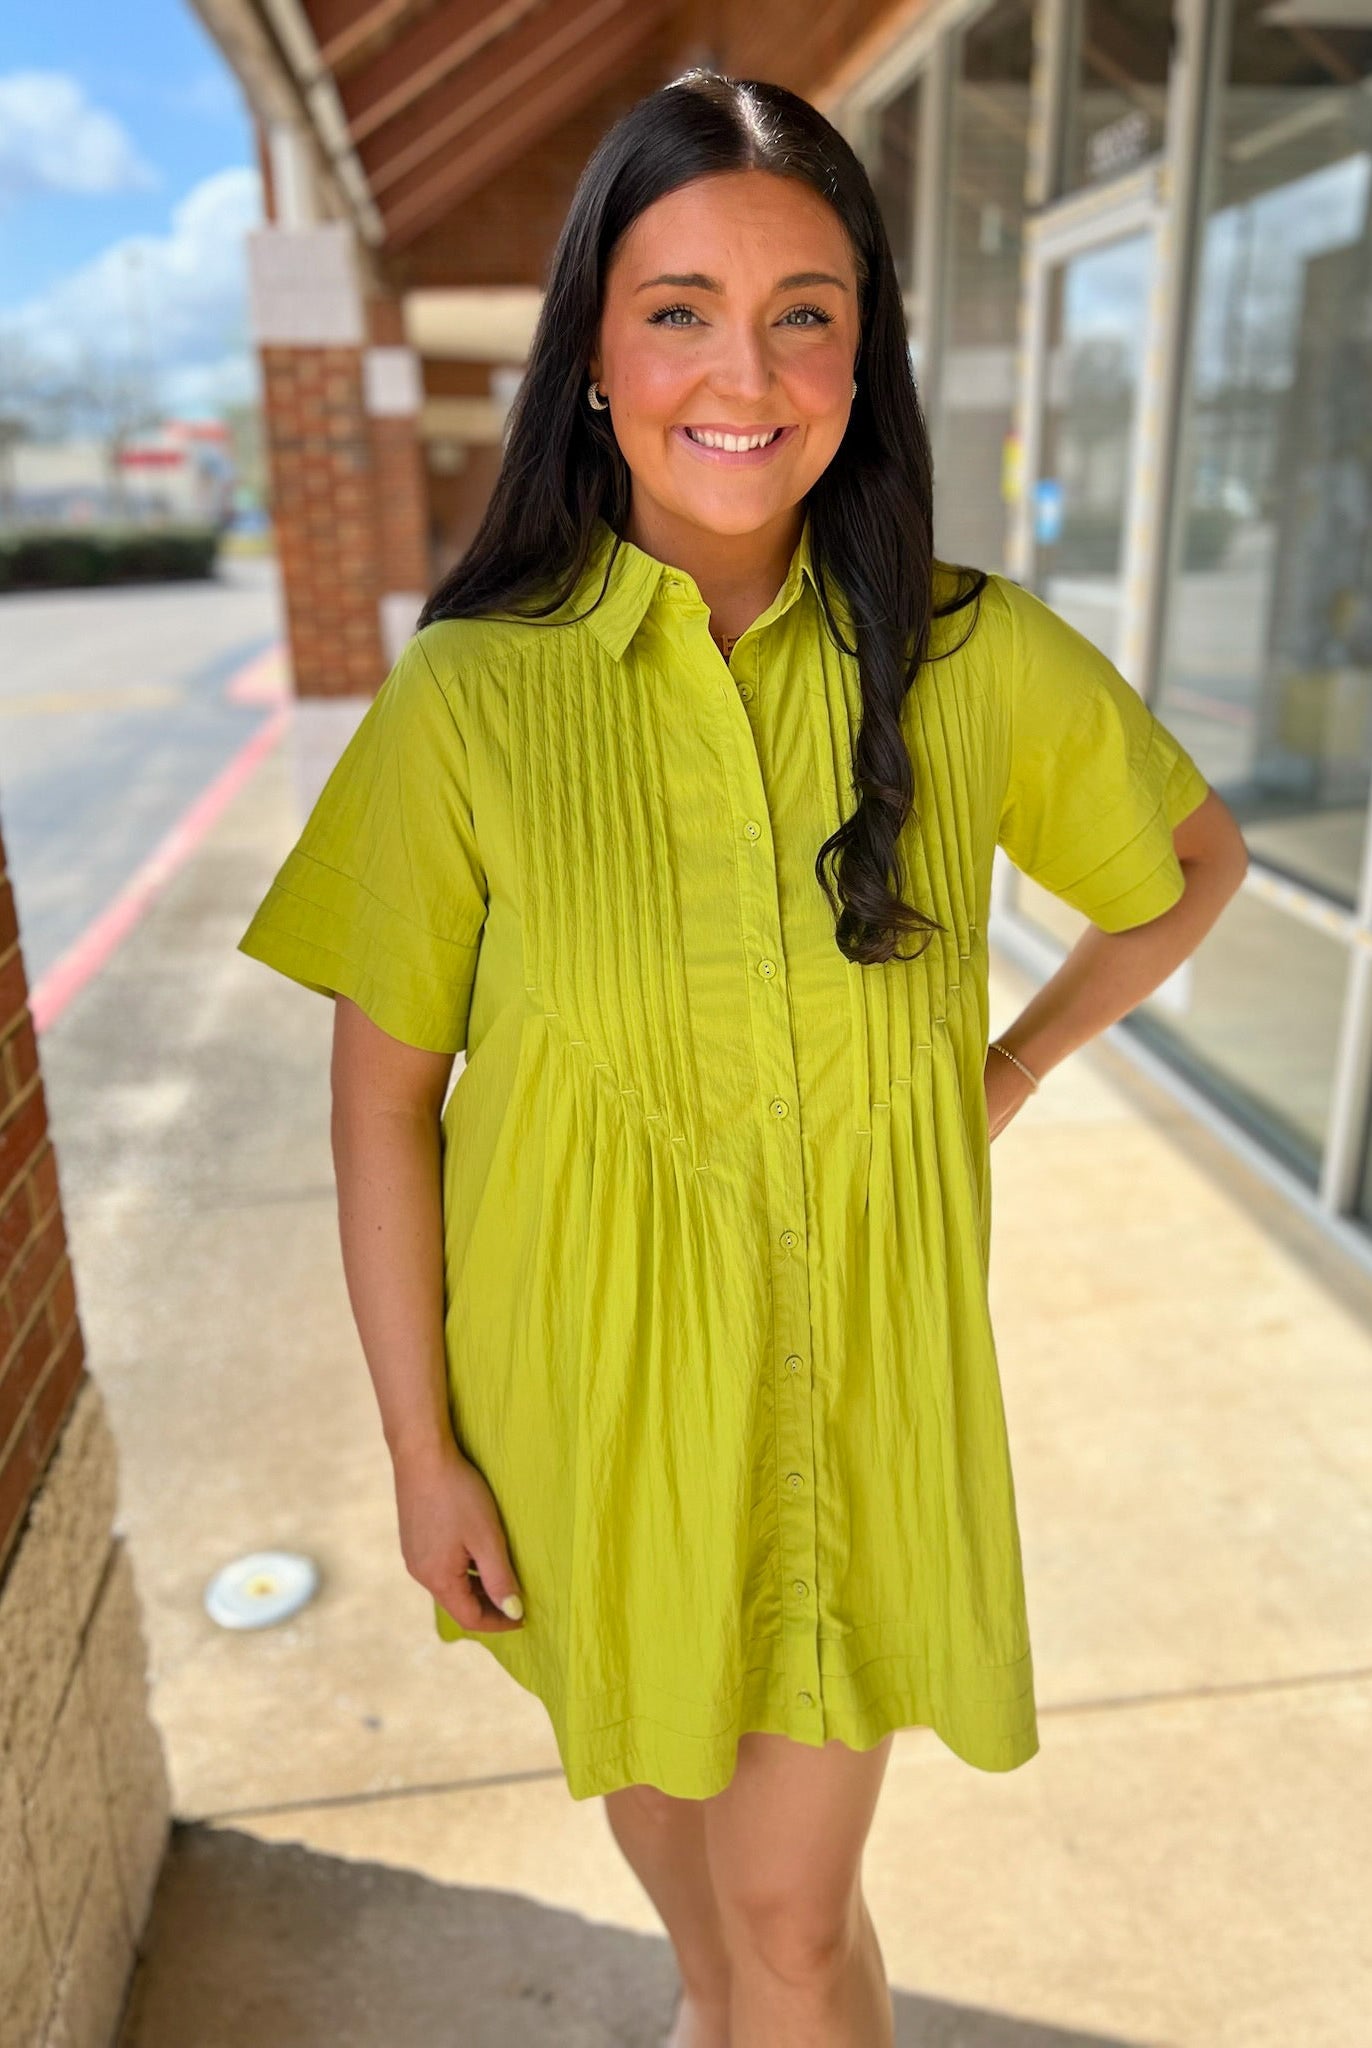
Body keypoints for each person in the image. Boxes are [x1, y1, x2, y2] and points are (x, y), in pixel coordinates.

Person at [236, 66, 1249, 2048]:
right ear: (592, 356)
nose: (745, 368)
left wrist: (1010, 1069)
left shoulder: (965, 660)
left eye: (804, 312)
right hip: (577, 1419)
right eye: (677, 304)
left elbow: (1189, 866)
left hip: (848, 1408)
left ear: (858, 361)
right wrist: (419, 1446)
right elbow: (379, 1103)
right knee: (715, 1934)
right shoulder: (470, 699)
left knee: (790, 1924)